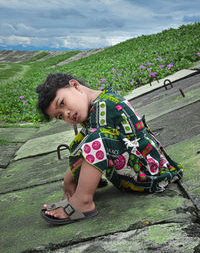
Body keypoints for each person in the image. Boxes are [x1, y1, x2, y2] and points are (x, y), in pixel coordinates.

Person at [36, 73, 183, 225]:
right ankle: (86, 184)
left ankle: (83, 201)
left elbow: (97, 142)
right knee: (80, 141)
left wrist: (68, 179)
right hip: (136, 167)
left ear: (75, 85)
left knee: (95, 138)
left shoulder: (105, 106)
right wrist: (69, 181)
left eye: (62, 103)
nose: (66, 113)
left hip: (148, 174)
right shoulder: (95, 106)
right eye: (60, 116)